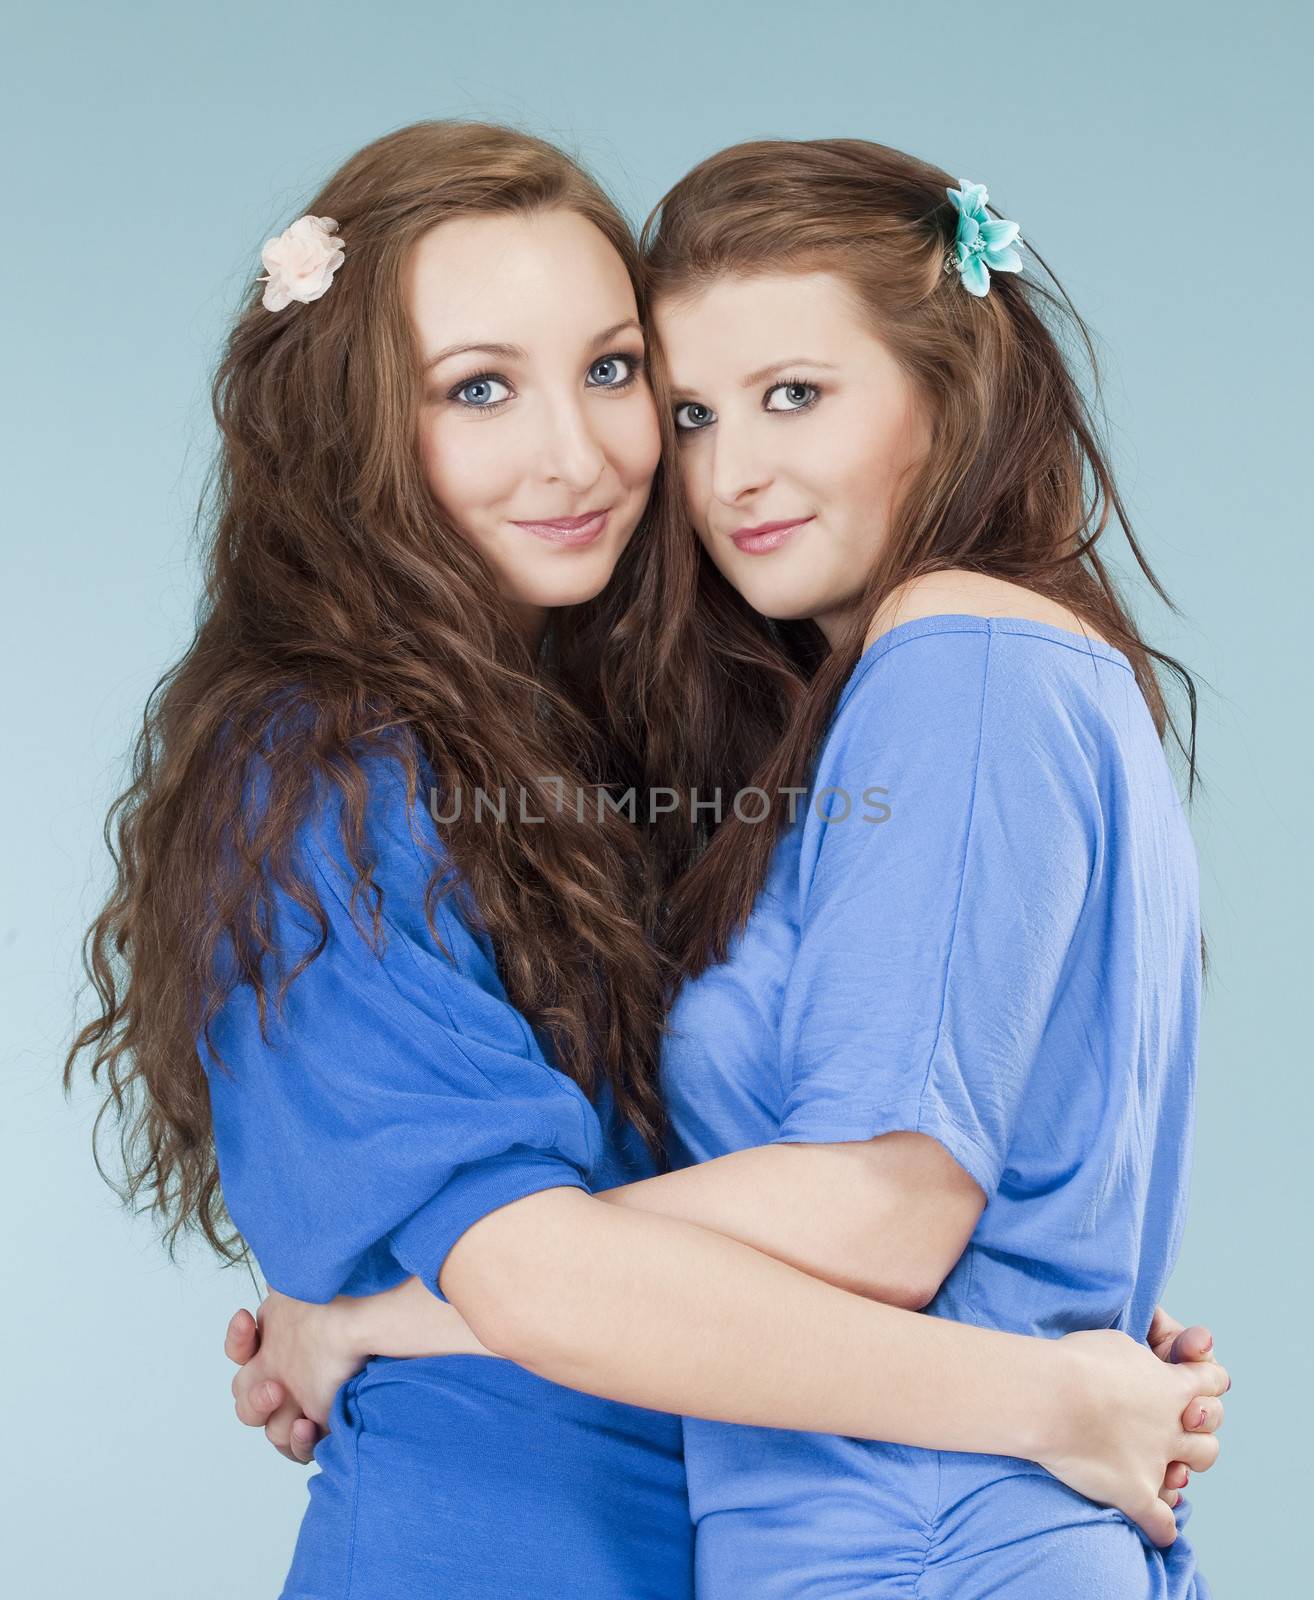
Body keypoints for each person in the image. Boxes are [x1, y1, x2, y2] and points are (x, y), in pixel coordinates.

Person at [68, 121, 1225, 1600]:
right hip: (497, 1546)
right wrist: (1040, 1392)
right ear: (348, 424)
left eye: (613, 374)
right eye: (477, 387)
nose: (585, 451)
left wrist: (1045, 1306)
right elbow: (570, 1263)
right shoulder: (317, 772)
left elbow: (863, 1190)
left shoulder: (649, 740)